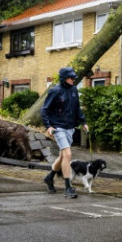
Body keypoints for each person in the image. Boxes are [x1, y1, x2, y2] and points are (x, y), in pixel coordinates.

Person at [41, 66, 89, 199]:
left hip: (70, 127)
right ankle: (68, 188)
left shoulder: (74, 90)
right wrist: (48, 126)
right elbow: (44, 109)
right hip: (58, 127)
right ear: (64, 78)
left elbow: (77, 108)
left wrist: (83, 122)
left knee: (63, 156)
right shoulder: (55, 91)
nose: (74, 79)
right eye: (71, 77)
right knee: (68, 154)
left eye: (74, 77)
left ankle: (49, 178)